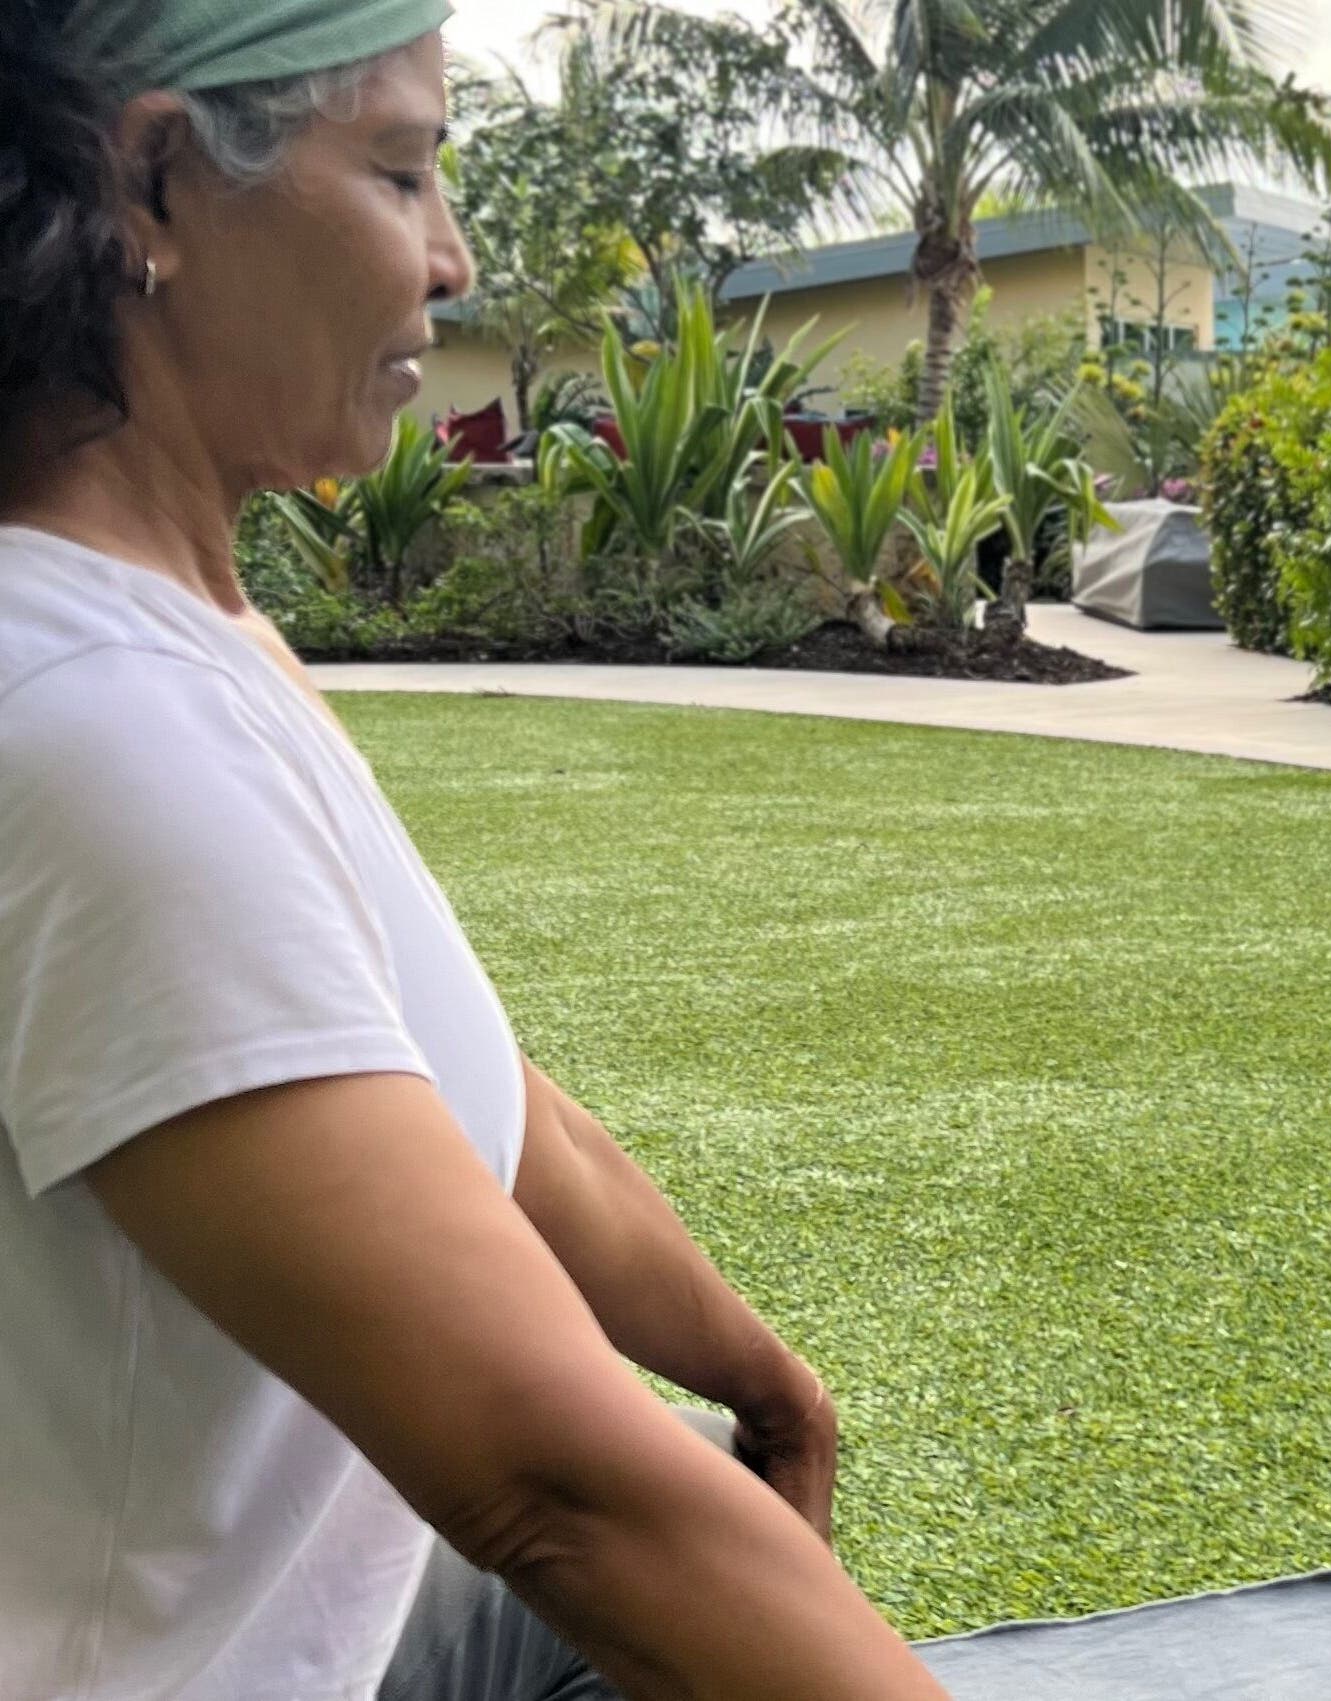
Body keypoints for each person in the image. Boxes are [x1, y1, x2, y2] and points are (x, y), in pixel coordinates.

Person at [0, 1, 954, 1696]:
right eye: (399, 170)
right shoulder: (97, 722)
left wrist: (762, 1379)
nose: (447, 260)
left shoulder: (194, 635)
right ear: (150, 185)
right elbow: (552, 1490)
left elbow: (481, 1107)